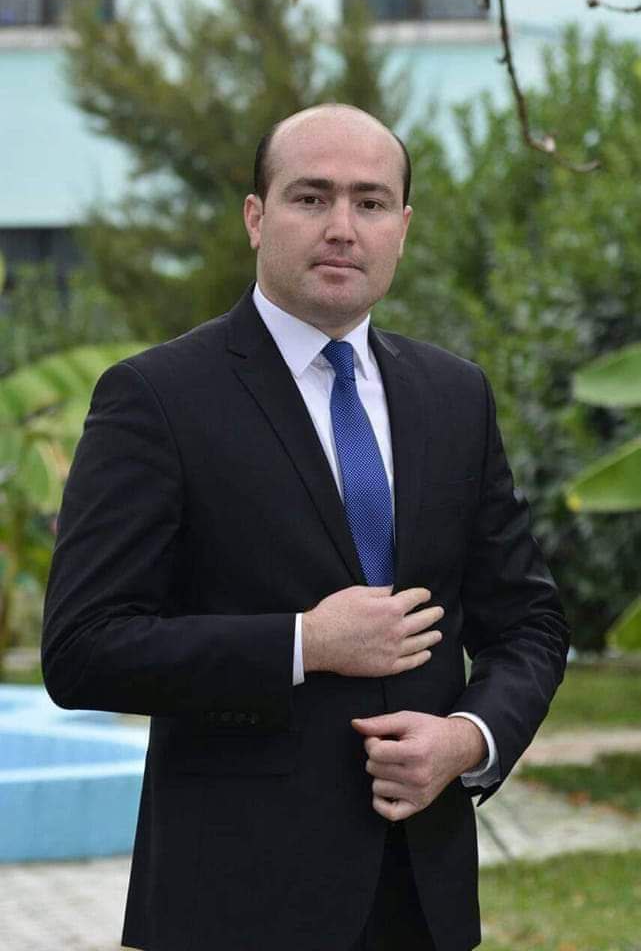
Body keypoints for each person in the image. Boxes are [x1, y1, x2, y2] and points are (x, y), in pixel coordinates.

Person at [42, 104, 569, 951]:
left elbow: (528, 623)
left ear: (402, 227)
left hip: (421, 894)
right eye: (311, 197)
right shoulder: (156, 398)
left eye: (370, 202)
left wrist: (466, 739)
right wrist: (303, 643)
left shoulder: (454, 396)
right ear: (256, 217)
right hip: (234, 902)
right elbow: (82, 648)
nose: (341, 228)